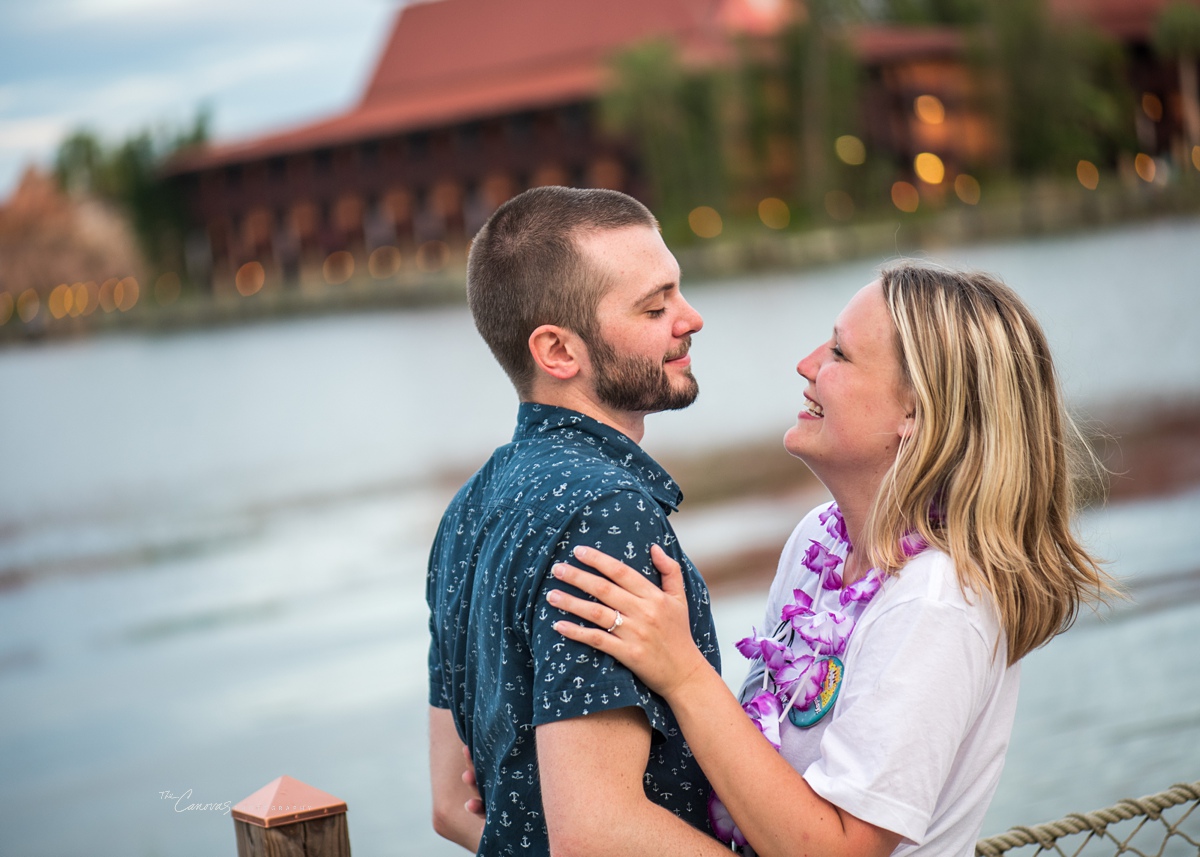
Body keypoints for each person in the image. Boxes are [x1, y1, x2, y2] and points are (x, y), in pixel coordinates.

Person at [548, 264, 1115, 857]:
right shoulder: (820, 539)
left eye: (840, 354)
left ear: (916, 414)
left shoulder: (937, 602)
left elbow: (837, 850)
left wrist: (684, 672)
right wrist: (574, 768)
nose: (807, 363)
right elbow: (759, 759)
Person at [426, 186, 733, 855]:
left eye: (677, 292)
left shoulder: (466, 510)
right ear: (559, 351)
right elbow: (596, 830)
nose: (692, 318)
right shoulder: (606, 513)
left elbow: (451, 806)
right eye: (655, 306)